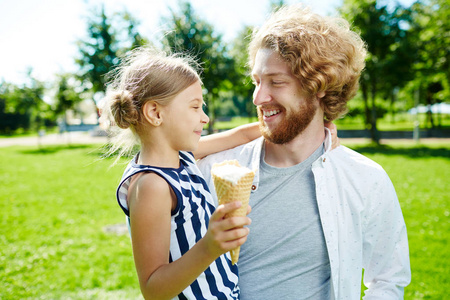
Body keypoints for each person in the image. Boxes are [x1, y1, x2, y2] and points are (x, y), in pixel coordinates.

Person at [198, 4, 411, 299]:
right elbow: (147, 173)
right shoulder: (215, 169)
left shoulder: (365, 179)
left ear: (319, 86)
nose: (258, 97)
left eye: (276, 82)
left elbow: (389, 278)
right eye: (257, 81)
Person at [101, 47, 263, 299]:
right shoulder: (151, 186)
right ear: (156, 113)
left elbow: (239, 135)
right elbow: (153, 289)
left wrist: (303, 124)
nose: (205, 118)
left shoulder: (183, 157)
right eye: (195, 107)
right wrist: (210, 246)